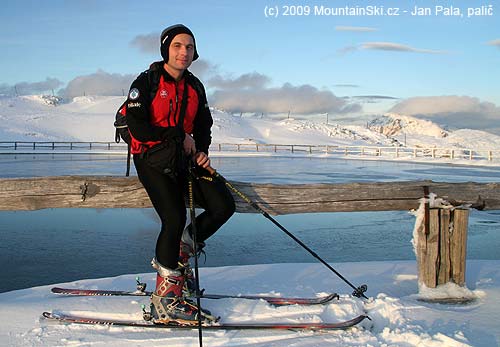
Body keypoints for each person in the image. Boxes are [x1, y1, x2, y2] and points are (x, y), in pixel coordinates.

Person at [125, 24, 235, 325]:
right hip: (150, 158)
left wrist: (201, 149)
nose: (184, 52)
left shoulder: (195, 86)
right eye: (177, 46)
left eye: (189, 46)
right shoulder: (146, 82)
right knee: (173, 217)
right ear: (165, 49)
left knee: (223, 205)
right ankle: (166, 299)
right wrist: (176, 134)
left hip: (184, 157)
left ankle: (182, 252)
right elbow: (138, 127)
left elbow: (203, 124)